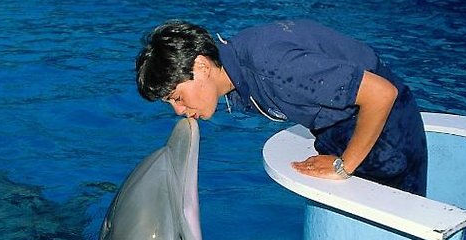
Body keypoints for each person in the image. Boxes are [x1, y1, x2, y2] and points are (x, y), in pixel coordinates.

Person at [135, 19, 428, 196]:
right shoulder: (236, 65)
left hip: (387, 130)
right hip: (344, 123)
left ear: (200, 65)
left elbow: (381, 93)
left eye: (176, 96)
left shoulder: (272, 68)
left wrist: (343, 165)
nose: (178, 109)